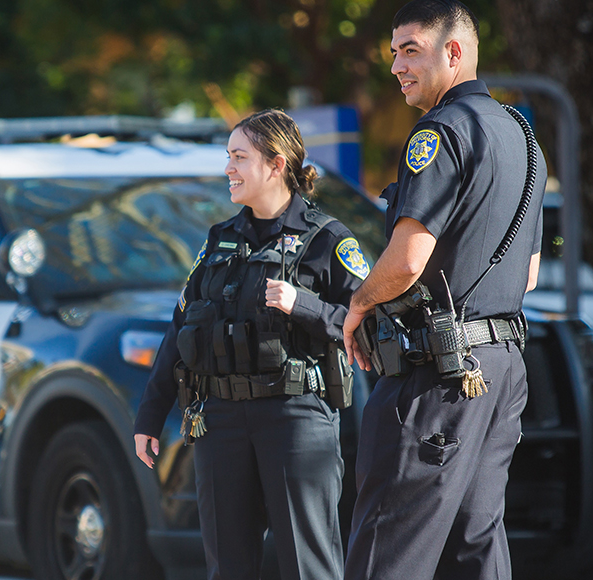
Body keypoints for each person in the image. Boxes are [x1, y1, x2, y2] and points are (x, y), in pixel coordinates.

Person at [339, 1, 546, 579]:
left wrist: (358, 303)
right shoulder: (524, 139)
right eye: (393, 54)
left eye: (411, 50)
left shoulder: (439, 131)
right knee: (473, 545)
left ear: (453, 52)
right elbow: (528, 274)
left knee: (390, 544)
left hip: (438, 374)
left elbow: (406, 261)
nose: (397, 67)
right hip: (501, 370)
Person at [134, 109, 369, 580]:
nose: (229, 168)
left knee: (309, 566)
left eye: (240, 157)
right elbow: (180, 328)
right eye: (228, 156)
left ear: (276, 164)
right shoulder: (219, 240)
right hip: (219, 423)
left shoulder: (329, 241)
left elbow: (367, 327)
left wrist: (303, 305)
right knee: (228, 567)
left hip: (296, 420)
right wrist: (150, 415)